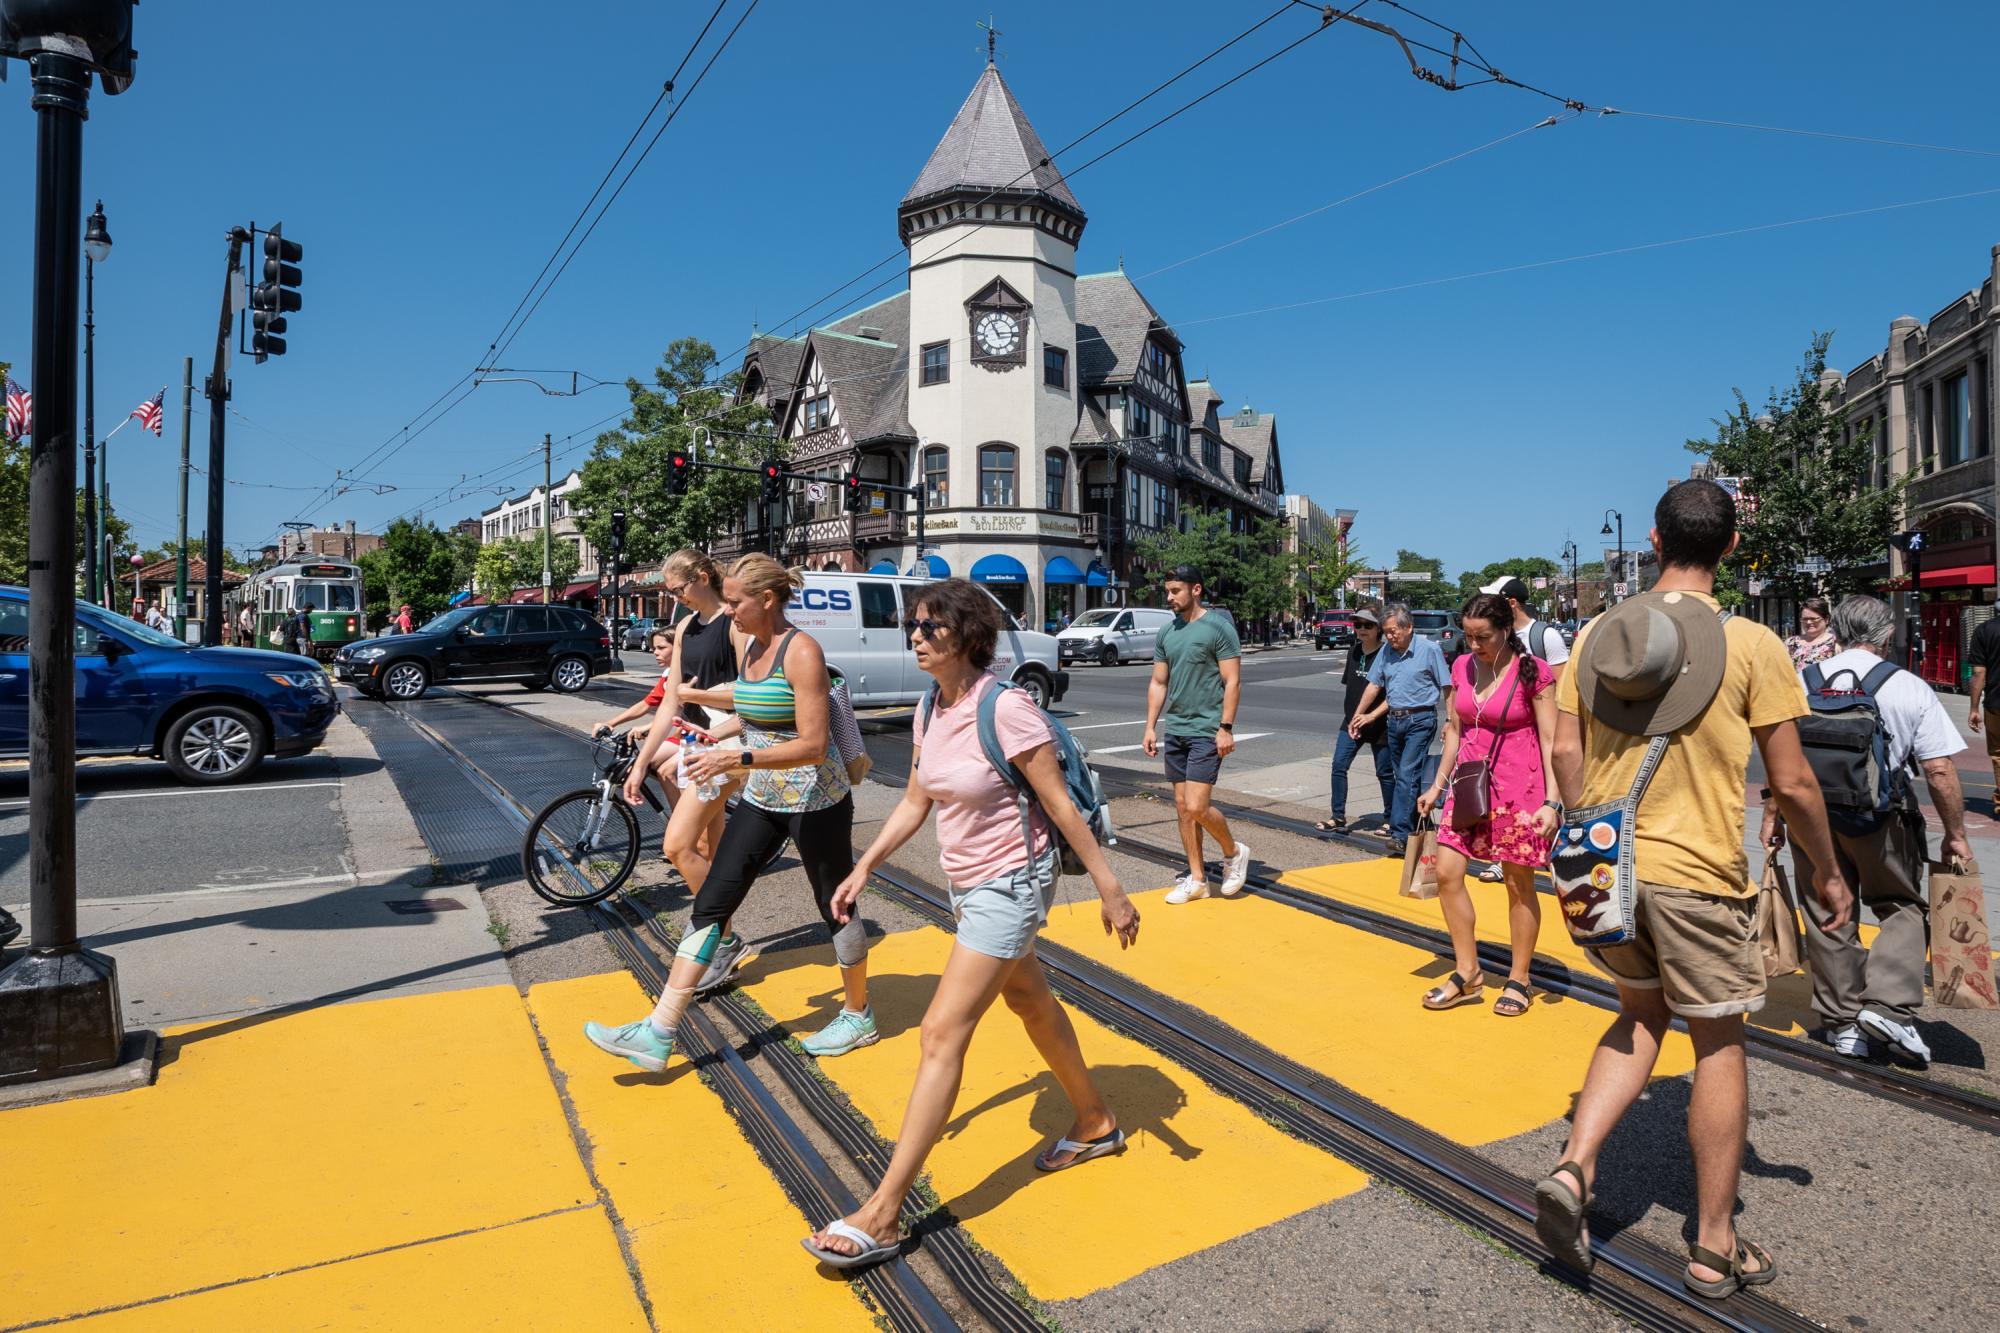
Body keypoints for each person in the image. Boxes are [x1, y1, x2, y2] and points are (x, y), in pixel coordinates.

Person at [1536, 480, 1852, 1298]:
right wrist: (1825, 868)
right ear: (1733, 546)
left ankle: (1573, 1169)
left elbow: (1566, 754)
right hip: (1699, 877)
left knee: (1637, 1015)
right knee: (1717, 1038)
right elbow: (1793, 782)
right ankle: (1713, 1243)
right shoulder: (1752, 643)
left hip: (1606, 870)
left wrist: (1588, 826)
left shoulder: (1597, 634)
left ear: (1653, 538)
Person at [802, 578, 1141, 1269]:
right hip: (968, 886)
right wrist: (864, 866)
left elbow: (1062, 805)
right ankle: (1096, 1120)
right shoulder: (931, 705)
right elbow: (916, 798)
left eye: (930, 626)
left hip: (1011, 887)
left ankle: (885, 1210)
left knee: (939, 1032)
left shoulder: (1007, 707)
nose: (916, 636)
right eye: (913, 627)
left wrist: (1111, 887)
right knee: (1031, 1002)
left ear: (967, 633)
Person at [584, 554, 872, 1070]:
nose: (730, 610)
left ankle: (858, 1013)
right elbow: (751, 705)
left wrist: (733, 755)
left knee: (834, 902)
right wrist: (705, 724)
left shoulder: (801, 651)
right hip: (764, 797)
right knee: (713, 899)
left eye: (737, 602)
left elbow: (811, 742)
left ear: (766, 600)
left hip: (815, 799)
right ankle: (660, 1030)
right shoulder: (753, 646)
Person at [1763, 595, 1968, 1067]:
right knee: (1900, 905)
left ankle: (1842, 1024)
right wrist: (1954, 832)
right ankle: (1888, 1007)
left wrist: (1773, 815)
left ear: (1836, 629)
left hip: (1810, 818)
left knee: (1825, 911)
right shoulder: (1908, 686)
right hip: (1883, 817)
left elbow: (1782, 761)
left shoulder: (1803, 681)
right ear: (1886, 635)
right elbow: (1938, 770)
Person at [1414, 593, 1559, 1016]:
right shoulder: (1461, 667)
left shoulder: (1536, 673)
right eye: (1468, 636)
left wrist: (1553, 801)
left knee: (1518, 884)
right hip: (1469, 785)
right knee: (1446, 872)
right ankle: (1468, 970)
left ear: (1506, 630)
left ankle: (1519, 978)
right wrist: (1437, 785)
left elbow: (1552, 742)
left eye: (1483, 637)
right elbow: (1455, 733)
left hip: (1521, 787)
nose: (1474, 645)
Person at [1143, 565, 1251, 904]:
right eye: (1168, 591)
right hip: (1176, 729)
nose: (1170, 597)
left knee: (1197, 805)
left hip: (1207, 730)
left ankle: (1233, 852)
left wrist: (1226, 728)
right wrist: (1150, 726)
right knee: (1182, 807)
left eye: (1176, 590)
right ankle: (1198, 878)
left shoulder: (1218, 628)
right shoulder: (1167, 633)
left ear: (1196, 590)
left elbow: (1232, 680)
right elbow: (1159, 682)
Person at [1348, 604, 1453, 856]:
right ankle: (1423, 824)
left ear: (1409, 627)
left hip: (1421, 719)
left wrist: (1451, 720)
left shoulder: (1429, 650)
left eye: (1393, 631)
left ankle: (1400, 833)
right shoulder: (1386, 652)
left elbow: (1447, 687)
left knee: (1406, 774)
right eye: (1386, 632)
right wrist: (1359, 714)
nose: (1390, 636)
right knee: (1405, 777)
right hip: (1394, 721)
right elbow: (1374, 685)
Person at [1319, 606, 1394, 832]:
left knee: (1385, 773)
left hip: (1380, 722)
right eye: (1357, 624)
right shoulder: (1353, 652)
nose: (1361, 629)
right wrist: (1353, 717)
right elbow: (1351, 687)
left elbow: (1393, 694)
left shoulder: (1388, 654)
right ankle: (1337, 816)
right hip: (1352, 722)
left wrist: (1371, 715)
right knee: (1339, 765)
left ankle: (1390, 819)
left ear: (1378, 628)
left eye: (1367, 625)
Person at [1963, 600, 2000, 797]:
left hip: (1996, 703)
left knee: (1999, 753)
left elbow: (1978, 673)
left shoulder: (1984, 630)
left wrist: (1974, 708)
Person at [1784, 596, 1835, 671]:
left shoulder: (1836, 644)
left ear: (1826, 619)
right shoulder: (1790, 643)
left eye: (1813, 619)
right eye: (1805, 619)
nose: (1808, 622)